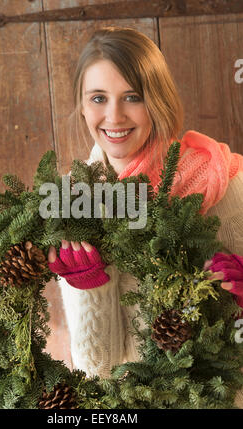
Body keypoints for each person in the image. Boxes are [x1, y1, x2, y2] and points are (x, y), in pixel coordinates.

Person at [47, 27, 243, 405]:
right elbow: (97, 371)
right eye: (99, 98)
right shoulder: (75, 204)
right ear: (83, 106)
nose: (114, 116)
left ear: (157, 99)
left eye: (132, 97)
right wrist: (91, 288)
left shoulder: (225, 184)